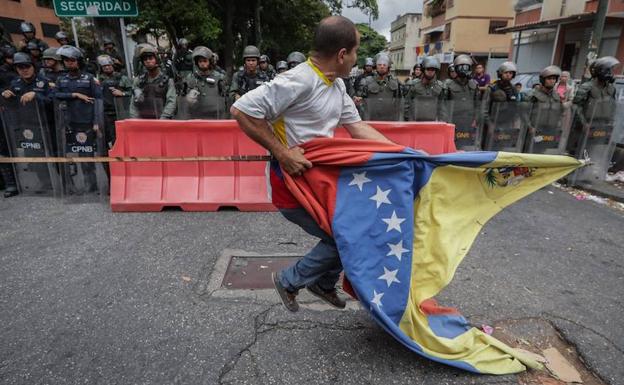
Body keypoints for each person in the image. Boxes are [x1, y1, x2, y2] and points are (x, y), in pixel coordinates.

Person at [231, 15, 395, 312]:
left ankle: (322, 283)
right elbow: (241, 110)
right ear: (342, 54)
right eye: (356, 52)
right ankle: (290, 280)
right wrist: (283, 153)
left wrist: (405, 153)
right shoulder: (298, 80)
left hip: (320, 182)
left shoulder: (337, 86)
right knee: (345, 237)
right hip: (292, 185)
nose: (357, 60)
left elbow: (358, 129)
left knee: (351, 231)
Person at [1, 53, 53, 197]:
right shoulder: (15, 83)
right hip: (27, 126)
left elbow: (52, 100)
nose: (24, 70)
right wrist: (6, 94)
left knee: (53, 154)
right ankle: (46, 182)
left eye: (27, 66)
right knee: (34, 156)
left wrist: (37, 95)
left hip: (46, 125)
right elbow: (13, 102)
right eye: (20, 67)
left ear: (33, 66)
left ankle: (65, 184)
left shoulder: (44, 82)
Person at [54, 45, 103, 193]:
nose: (69, 63)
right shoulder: (61, 80)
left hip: (86, 123)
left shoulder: (89, 79)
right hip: (69, 123)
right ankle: (73, 186)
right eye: (66, 60)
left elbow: (98, 100)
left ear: (78, 61)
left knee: (88, 155)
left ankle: (91, 185)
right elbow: (55, 95)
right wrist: (74, 95)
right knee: (73, 155)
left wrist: (96, 122)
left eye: (72, 60)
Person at [570, 56, 619, 181]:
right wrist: (584, 123)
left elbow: (612, 107)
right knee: (580, 151)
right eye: (608, 70)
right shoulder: (586, 87)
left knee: (592, 151)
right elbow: (576, 107)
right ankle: (572, 176)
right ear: (599, 71)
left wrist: (610, 123)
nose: (610, 74)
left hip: (601, 125)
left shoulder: (611, 89)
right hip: (585, 125)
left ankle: (583, 176)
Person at [481, 61, 522, 151]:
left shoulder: (514, 89)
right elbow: (484, 109)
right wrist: (489, 124)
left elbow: (516, 108)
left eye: (511, 73)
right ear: (500, 73)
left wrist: (516, 125)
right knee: (489, 148)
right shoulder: (492, 88)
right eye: (506, 73)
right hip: (493, 124)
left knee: (504, 150)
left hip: (507, 125)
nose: (508, 75)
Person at [525, 65, 565, 154]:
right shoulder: (533, 95)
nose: (552, 81)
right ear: (543, 80)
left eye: (554, 79)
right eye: (549, 78)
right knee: (530, 153)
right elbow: (524, 113)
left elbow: (560, 113)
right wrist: (530, 127)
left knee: (543, 154)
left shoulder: (556, 96)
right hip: (535, 131)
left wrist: (559, 126)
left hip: (549, 131)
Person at [129, 45, 176, 119]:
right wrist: (135, 120)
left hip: (163, 120)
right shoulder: (139, 81)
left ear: (156, 60)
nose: (148, 61)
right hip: (144, 120)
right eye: (145, 59)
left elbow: (171, 102)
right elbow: (133, 105)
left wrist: (163, 119)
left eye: (151, 58)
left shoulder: (167, 80)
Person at [443, 54, 480, 149]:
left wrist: (476, 119)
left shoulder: (474, 85)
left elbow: (477, 104)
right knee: (452, 146)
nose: (464, 69)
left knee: (468, 146)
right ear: (456, 68)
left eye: (466, 67)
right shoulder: (448, 85)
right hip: (453, 121)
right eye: (461, 67)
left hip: (469, 121)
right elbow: (443, 106)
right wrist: (447, 122)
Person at [180, 46, 227, 119]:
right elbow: (182, 99)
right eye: (200, 61)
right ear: (196, 63)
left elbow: (226, 98)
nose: (202, 63)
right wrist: (187, 99)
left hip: (215, 116)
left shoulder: (219, 78)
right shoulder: (190, 78)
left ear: (210, 61)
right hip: (196, 116)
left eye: (205, 61)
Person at [97, 54, 131, 147]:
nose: (107, 67)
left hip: (121, 113)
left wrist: (123, 93)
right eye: (104, 66)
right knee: (108, 138)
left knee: (122, 137)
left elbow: (133, 92)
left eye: (108, 65)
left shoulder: (122, 78)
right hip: (105, 113)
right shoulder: (98, 80)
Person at [356, 52, 401, 121]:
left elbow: (398, 104)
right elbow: (361, 104)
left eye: (384, 65)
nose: (382, 66)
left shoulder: (395, 83)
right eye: (379, 64)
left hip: (389, 120)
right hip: (371, 120)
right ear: (375, 66)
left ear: (388, 67)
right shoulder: (366, 82)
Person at [404, 56, 445, 121]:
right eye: (428, 69)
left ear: (435, 71)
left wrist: (441, 122)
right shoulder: (414, 85)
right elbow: (406, 104)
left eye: (432, 69)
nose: (430, 71)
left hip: (433, 123)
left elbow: (442, 108)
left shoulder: (440, 86)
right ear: (423, 70)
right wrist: (409, 120)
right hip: (415, 122)